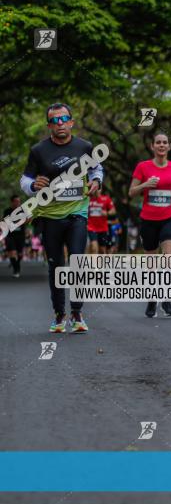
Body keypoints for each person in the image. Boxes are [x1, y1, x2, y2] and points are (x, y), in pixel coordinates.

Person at [19, 103, 103, 333]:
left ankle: (77, 312)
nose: (60, 124)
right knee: (56, 267)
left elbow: (97, 169)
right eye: (55, 121)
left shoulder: (84, 146)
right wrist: (33, 186)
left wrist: (96, 181)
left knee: (77, 262)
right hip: (49, 216)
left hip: (77, 212)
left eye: (64, 119)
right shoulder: (38, 150)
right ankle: (59, 315)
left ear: (71, 122)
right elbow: (24, 180)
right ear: (49, 126)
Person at [129, 132, 171, 317]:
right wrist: (145, 185)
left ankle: (166, 299)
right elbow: (131, 192)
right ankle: (152, 299)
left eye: (165, 143)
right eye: (158, 143)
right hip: (148, 220)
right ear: (152, 146)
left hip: (169, 218)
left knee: (169, 258)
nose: (161, 145)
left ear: (169, 146)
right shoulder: (143, 167)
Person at [87, 186, 116, 254]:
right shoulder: (88, 199)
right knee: (94, 247)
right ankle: (94, 264)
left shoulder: (106, 199)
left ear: (101, 189)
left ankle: (100, 263)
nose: (96, 190)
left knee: (102, 250)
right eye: (95, 188)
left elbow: (113, 210)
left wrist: (107, 213)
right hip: (91, 227)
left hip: (103, 228)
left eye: (98, 188)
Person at [3, 195, 26, 277]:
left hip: (20, 235)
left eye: (19, 201)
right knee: (12, 253)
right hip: (10, 235)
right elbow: (5, 223)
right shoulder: (7, 211)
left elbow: (27, 221)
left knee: (20, 254)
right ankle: (16, 270)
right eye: (16, 201)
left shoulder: (23, 211)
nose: (18, 203)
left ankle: (16, 264)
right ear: (12, 202)